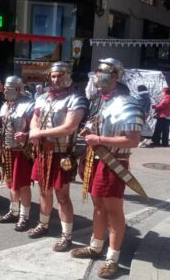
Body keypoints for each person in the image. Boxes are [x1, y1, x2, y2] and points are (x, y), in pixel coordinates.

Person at [70, 58, 144, 279]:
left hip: (114, 162)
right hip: (94, 160)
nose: (95, 75)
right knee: (98, 206)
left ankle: (112, 258)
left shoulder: (127, 103)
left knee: (113, 211)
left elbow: (132, 140)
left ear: (114, 76)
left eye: (100, 71)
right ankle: (95, 245)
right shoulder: (99, 101)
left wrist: (99, 137)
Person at [27, 62, 88, 252]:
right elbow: (34, 120)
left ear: (68, 75)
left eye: (60, 75)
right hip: (43, 152)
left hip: (62, 152)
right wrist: (33, 132)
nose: (56, 79)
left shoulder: (76, 98)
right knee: (43, 191)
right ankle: (43, 224)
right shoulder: (43, 97)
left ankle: (67, 235)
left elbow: (69, 127)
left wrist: (39, 133)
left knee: (62, 196)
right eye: (53, 76)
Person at [0, 76, 34, 231]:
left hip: (22, 151)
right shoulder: (5, 105)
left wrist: (27, 135)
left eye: (7, 88)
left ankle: (24, 217)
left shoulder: (29, 105)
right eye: (4, 87)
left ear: (17, 89)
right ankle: (14, 211)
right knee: (10, 182)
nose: (4, 90)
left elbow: (36, 129)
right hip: (7, 149)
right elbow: (2, 128)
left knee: (23, 184)